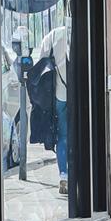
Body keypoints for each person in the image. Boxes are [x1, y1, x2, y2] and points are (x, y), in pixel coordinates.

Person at [39, 17, 71, 197]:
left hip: (60, 94)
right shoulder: (83, 31)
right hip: (81, 96)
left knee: (63, 137)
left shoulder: (53, 36)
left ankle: (64, 176)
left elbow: (42, 63)